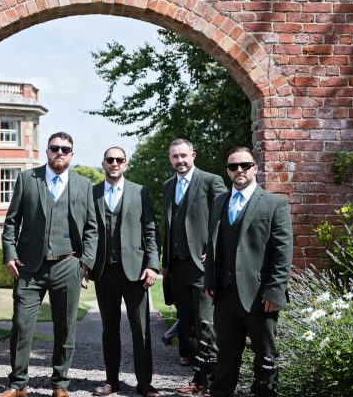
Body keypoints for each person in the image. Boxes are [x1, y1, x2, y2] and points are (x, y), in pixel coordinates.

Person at [0, 132, 98, 397]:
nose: (60, 153)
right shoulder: (28, 179)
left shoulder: (84, 184)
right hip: (29, 266)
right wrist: (9, 253)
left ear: (72, 154)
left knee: (65, 327)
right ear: (47, 151)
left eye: (65, 149)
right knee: (21, 324)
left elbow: (91, 228)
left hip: (68, 264)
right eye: (55, 148)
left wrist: (84, 263)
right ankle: (18, 384)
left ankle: (61, 384)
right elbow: (11, 221)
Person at [204, 147, 293, 397]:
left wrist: (275, 292)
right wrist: (210, 279)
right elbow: (212, 245)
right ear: (228, 171)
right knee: (225, 356)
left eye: (245, 165)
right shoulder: (219, 202)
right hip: (225, 295)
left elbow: (283, 252)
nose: (239, 170)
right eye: (233, 166)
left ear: (255, 168)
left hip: (260, 296)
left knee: (266, 357)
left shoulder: (275, 204)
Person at [90, 147, 160, 397]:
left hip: (136, 272)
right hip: (104, 272)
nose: (115, 163)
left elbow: (150, 231)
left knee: (141, 330)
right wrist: (86, 264)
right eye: (110, 159)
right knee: (109, 329)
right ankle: (111, 380)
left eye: (119, 160)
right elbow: (87, 231)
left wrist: (152, 264)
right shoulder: (93, 192)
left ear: (126, 164)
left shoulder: (140, 192)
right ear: (104, 163)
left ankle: (144, 383)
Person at [161, 139, 227, 395]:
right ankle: (199, 380)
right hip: (177, 269)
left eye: (184, 155)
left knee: (206, 325)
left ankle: (213, 382)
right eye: (175, 156)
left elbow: (224, 218)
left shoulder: (211, 181)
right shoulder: (168, 186)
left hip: (202, 268)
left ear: (193, 156)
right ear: (170, 158)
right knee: (187, 327)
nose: (180, 161)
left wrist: (213, 250)